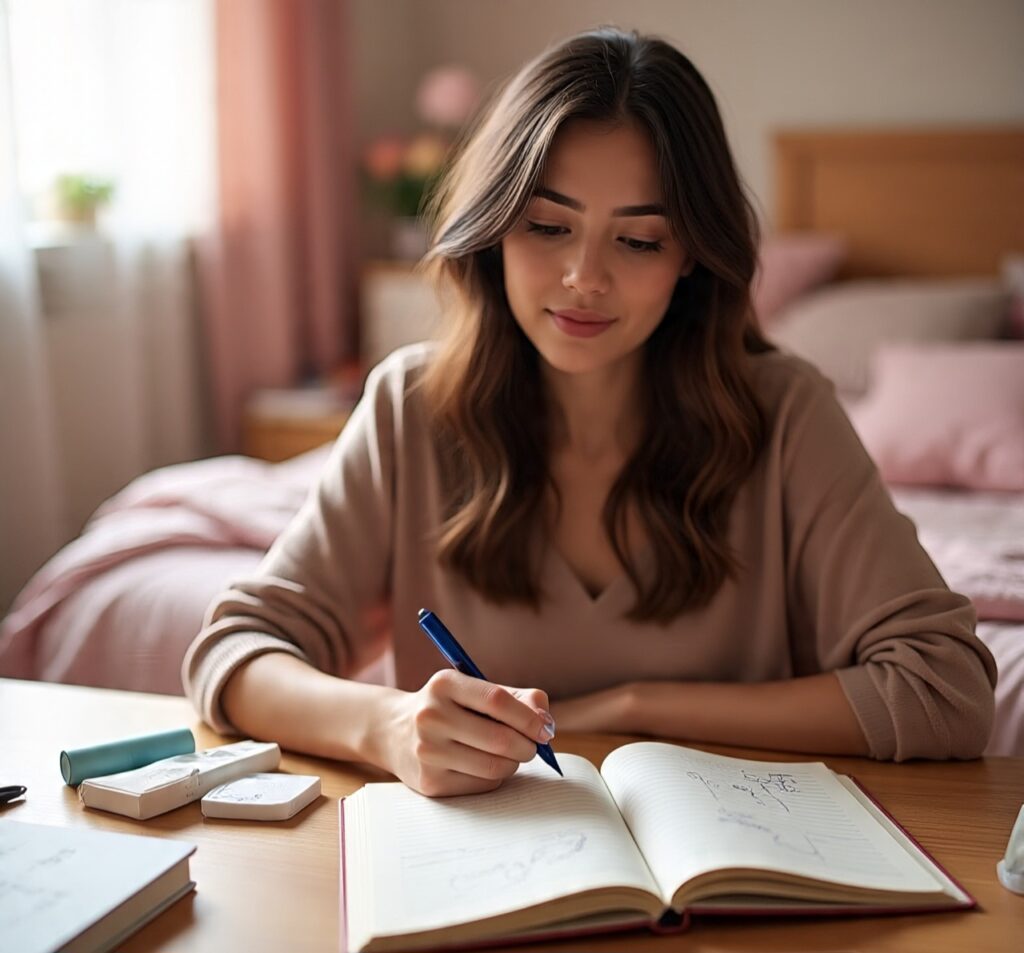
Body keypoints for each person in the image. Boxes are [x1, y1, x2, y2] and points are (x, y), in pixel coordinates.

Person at [183, 27, 996, 797]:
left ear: (689, 257)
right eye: (547, 226)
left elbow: (946, 686)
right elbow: (233, 653)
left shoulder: (787, 414)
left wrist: (635, 708)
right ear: (495, 228)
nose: (584, 277)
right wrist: (388, 725)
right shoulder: (410, 407)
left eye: (638, 240)